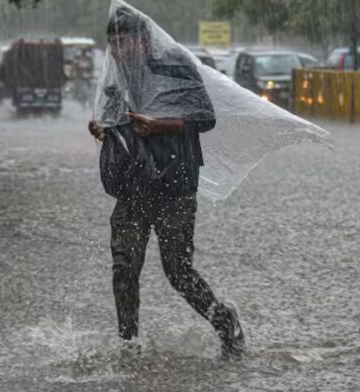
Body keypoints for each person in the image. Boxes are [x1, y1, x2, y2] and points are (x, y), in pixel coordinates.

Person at [88, 6, 245, 359]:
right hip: (134, 184)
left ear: (144, 39)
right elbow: (114, 122)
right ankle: (129, 345)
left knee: (177, 270)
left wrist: (157, 125)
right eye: (111, 44)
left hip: (175, 183)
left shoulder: (175, 64)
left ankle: (225, 323)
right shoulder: (118, 76)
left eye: (123, 42)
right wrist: (102, 131)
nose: (117, 51)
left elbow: (204, 118)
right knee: (124, 268)